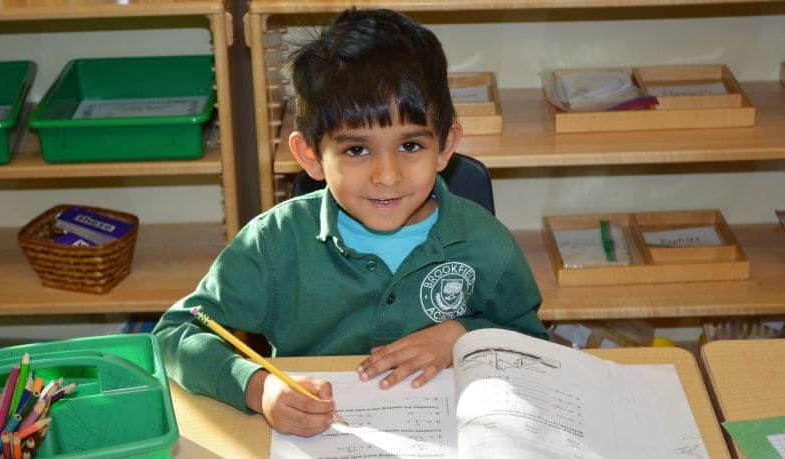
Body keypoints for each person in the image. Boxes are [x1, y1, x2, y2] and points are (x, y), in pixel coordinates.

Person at [153, 8, 547, 438]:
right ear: (310, 157)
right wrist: (258, 388)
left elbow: (534, 346)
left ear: (445, 145)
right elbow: (174, 334)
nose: (387, 176)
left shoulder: (487, 243)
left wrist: (461, 336)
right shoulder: (273, 243)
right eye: (357, 150)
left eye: (410, 145)